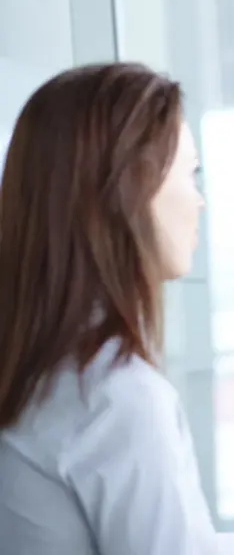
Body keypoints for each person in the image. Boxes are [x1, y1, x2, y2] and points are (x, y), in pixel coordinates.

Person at [0, 63, 214, 553]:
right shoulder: (115, 399)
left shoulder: (36, 377)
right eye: (189, 172)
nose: (199, 200)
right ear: (128, 193)